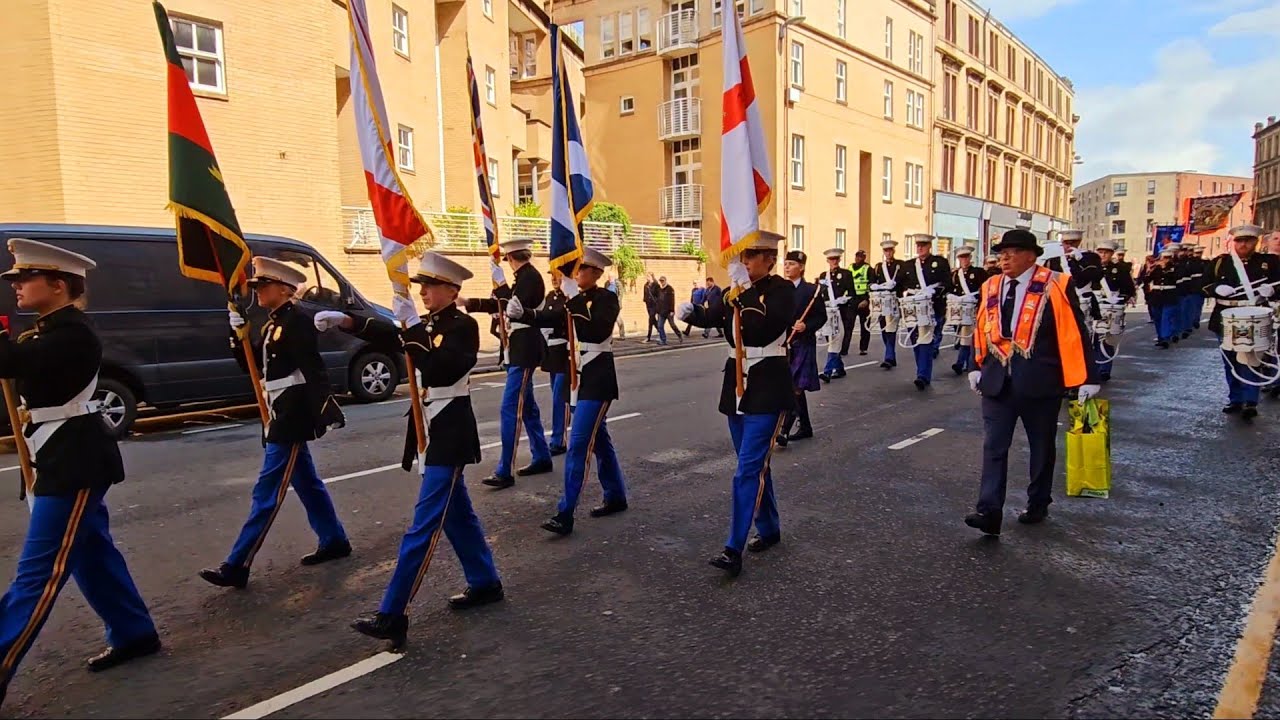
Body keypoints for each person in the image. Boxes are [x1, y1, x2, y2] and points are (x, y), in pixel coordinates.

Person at [0, 240, 161, 707]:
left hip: (73, 461)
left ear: (58, 285)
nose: (16, 286)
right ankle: (133, 631)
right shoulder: (44, 332)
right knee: (92, 554)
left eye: (25, 279)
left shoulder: (72, 332)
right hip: (55, 452)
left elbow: (10, 363)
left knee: (40, 571)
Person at [317, 253, 502, 648]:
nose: (423, 292)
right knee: (458, 516)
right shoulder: (429, 325)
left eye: (430, 286)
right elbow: (391, 334)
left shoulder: (463, 326)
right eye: (422, 286)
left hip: (451, 430)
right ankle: (485, 581)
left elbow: (438, 370)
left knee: (424, 525)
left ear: (452, 290)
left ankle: (392, 612)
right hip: (432, 427)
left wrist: (414, 326)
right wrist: (348, 322)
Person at [201, 256, 350, 589]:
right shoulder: (272, 324)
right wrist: (236, 332)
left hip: (292, 414)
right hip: (278, 409)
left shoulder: (298, 321)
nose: (258, 291)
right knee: (307, 483)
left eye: (264, 285)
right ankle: (334, 539)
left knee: (266, 490)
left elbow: (312, 367)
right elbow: (252, 365)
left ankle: (237, 563)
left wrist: (325, 407)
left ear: (284, 289)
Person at [964, 229, 1099, 536]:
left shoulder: (1056, 284)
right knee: (994, 447)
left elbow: (1074, 331)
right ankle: (989, 512)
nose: (1004, 259)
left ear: (1030, 256)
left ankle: (1038, 501)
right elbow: (982, 326)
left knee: (1041, 446)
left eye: (1011, 253)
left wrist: (1088, 377)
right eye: (1001, 254)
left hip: (1040, 381)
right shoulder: (991, 285)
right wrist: (975, 365)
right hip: (997, 380)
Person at [677, 232, 794, 578]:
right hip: (737, 385)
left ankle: (733, 547)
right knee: (754, 465)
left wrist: (743, 291)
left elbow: (760, 328)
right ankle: (769, 527)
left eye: (752, 256)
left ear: (770, 259)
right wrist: (693, 312)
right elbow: (715, 316)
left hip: (768, 385)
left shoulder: (782, 291)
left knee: (747, 469)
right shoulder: (736, 291)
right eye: (743, 256)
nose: (744, 262)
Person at [511, 248, 628, 536]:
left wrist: (574, 297)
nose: (575, 274)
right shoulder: (571, 299)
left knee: (578, 443)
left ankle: (565, 512)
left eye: (581, 269)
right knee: (599, 440)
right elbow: (552, 319)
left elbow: (594, 332)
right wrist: (525, 314)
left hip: (597, 377)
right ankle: (615, 494)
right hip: (576, 376)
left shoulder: (606, 298)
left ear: (596, 273)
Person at [462, 237, 552, 489]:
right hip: (519, 345)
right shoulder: (523, 277)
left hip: (525, 347)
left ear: (511, 258)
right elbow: (502, 303)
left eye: (508, 259)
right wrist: (470, 303)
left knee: (510, 407)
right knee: (529, 408)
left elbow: (512, 306)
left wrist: (500, 284)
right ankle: (542, 455)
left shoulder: (529, 277)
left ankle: (505, 469)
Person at [1204, 225, 1280, 420]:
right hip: (1225, 315)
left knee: (1250, 357)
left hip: (1255, 315)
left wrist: (1273, 291)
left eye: (1248, 240)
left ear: (1256, 242)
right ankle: (1235, 398)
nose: (1243, 244)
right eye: (1239, 240)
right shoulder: (1221, 262)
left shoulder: (1269, 262)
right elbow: (1202, 284)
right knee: (1230, 359)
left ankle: (1250, 401)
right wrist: (1216, 288)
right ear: (1234, 242)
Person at [778, 250, 824, 446]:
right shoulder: (780, 289)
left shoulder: (811, 291)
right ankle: (805, 426)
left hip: (803, 342)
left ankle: (784, 430)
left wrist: (807, 326)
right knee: (792, 386)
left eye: (792, 264)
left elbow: (821, 317)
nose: (787, 267)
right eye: (786, 263)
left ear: (802, 267)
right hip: (785, 344)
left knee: (795, 387)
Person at [899, 234, 952, 390]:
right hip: (912, 307)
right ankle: (921, 371)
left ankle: (923, 375)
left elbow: (947, 283)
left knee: (926, 339)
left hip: (931, 305)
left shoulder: (940, 262)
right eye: (918, 245)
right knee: (915, 339)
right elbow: (900, 285)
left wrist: (935, 291)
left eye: (923, 245)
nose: (920, 248)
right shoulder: (908, 265)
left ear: (929, 246)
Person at [1093, 239, 1137, 382]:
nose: (1102, 255)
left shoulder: (1120, 269)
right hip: (1093, 306)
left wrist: (1121, 299)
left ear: (1111, 254)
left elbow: (1128, 288)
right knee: (1092, 338)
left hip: (1110, 307)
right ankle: (1093, 368)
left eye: (1106, 252)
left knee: (1107, 338)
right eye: (1100, 252)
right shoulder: (1091, 268)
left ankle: (1104, 369)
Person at [541, 272, 570, 456]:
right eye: (552, 275)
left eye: (557, 275)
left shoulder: (569, 297)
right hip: (551, 352)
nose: (554, 279)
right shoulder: (550, 296)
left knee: (561, 397)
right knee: (556, 395)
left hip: (564, 351)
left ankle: (559, 440)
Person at [1045, 230, 1104, 320]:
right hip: (1061, 299)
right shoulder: (1054, 260)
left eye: (1073, 243)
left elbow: (1096, 276)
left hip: (1083, 299)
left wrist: (1080, 260)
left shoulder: (1090, 257)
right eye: (1066, 243)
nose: (1069, 246)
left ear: (1079, 242)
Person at [869, 238, 908, 371]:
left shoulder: (900, 265)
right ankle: (891, 355)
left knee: (891, 327)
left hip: (895, 300)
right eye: (886, 251)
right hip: (881, 301)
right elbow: (872, 281)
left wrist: (897, 285)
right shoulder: (879, 267)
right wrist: (874, 286)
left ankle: (889, 357)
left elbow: (905, 281)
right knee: (884, 329)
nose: (888, 253)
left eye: (890, 250)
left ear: (893, 251)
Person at [948, 245, 986, 376]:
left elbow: (985, 289)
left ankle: (962, 363)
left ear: (970, 258)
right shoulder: (955, 274)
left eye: (966, 257)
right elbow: (951, 289)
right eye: (961, 257)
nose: (964, 260)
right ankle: (965, 363)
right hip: (960, 309)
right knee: (964, 337)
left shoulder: (979, 272)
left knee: (969, 338)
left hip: (974, 308)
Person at [816, 248, 856, 358]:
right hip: (829, 309)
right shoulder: (824, 275)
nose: (834, 261)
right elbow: (821, 292)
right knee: (829, 335)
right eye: (831, 259)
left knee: (840, 335)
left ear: (839, 260)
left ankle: (835, 359)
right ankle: (837, 362)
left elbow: (852, 292)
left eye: (836, 259)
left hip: (842, 309)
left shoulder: (846, 274)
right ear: (827, 261)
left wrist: (845, 299)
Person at [1147, 245, 1181, 348]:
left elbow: (1177, 278)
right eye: (1164, 258)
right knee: (1157, 317)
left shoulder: (1175, 268)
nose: (1165, 260)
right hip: (1157, 296)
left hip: (1169, 295)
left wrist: (1166, 270)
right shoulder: (1156, 268)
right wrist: (1149, 270)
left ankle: (1166, 337)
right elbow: (1147, 279)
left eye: (1167, 258)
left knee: (1166, 317)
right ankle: (1160, 337)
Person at [849, 249, 873, 355]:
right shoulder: (850, 268)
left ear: (864, 258)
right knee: (848, 325)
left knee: (865, 326)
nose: (858, 258)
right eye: (857, 256)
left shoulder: (868, 269)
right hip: (852, 299)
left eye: (861, 257)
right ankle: (844, 348)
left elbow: (871, 286)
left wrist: (867, 299)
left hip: (863, 299)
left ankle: (863, 348)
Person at [655, 275, 681, 345]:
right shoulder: (659, 289)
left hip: (669, 311)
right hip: (661, 311)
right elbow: (658, 300)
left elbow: (672, 300)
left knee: (672, 325)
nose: (661, 282)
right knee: (660, 326)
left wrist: (672, 310)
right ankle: (663, 340)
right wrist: (657, 310)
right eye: (660, 281)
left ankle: (679, 334)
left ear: (665, 281)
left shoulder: (670, 289)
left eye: (663, 281)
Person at [604, 272, 626, 339]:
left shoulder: (617, 284)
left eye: (611, 277)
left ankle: (622, 335)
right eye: (609, 277)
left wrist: (617, 302)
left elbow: (621, 294)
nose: (609, 279)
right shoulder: (607, 283)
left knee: (618, 319)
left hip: (615, 305)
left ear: (614, 277)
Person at [643, 273, 660, 343]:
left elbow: (659, 295)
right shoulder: (646, 285)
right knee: (653, 320)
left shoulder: (656, 285)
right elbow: (645, 294)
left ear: (652, 277)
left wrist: (657, 302)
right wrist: (645, 300)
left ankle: (648, 337)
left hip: (654, 305)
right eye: (646, 277)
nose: (647, 278)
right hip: (648, 304)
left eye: (648, 277)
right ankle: (660, 331)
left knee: (650, 320)